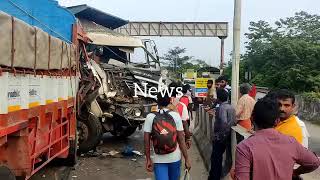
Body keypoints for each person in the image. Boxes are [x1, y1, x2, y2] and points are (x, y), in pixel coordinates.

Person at [234, 98, 320, 180]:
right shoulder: (291, 142)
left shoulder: (244, 147)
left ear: (252, 118)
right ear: (277, 120)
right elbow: (314, 162)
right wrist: (294, 173)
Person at [144, 92, 191, 180]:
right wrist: (187, 159)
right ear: (170, 101)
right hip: (175, 158)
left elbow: (146, 141)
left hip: (158, 159)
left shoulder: (150, 117)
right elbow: (181, 140)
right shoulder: (175, 116)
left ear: (157, 102)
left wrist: (148, 159)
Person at [208, 88, 236, 180]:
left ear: (219, 98)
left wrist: (219, 136)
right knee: (219, 158)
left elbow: (224, 123)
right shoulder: (231, 107)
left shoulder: (221, 108)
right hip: (229, 136)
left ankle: (214, 177)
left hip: (221, 137)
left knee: (216, 159)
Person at [167, 82, 192, 149]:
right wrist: (188, 138)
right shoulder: (181, 105)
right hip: (177, 136)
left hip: (163, 135)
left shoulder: (161, 105)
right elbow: (185, 123)